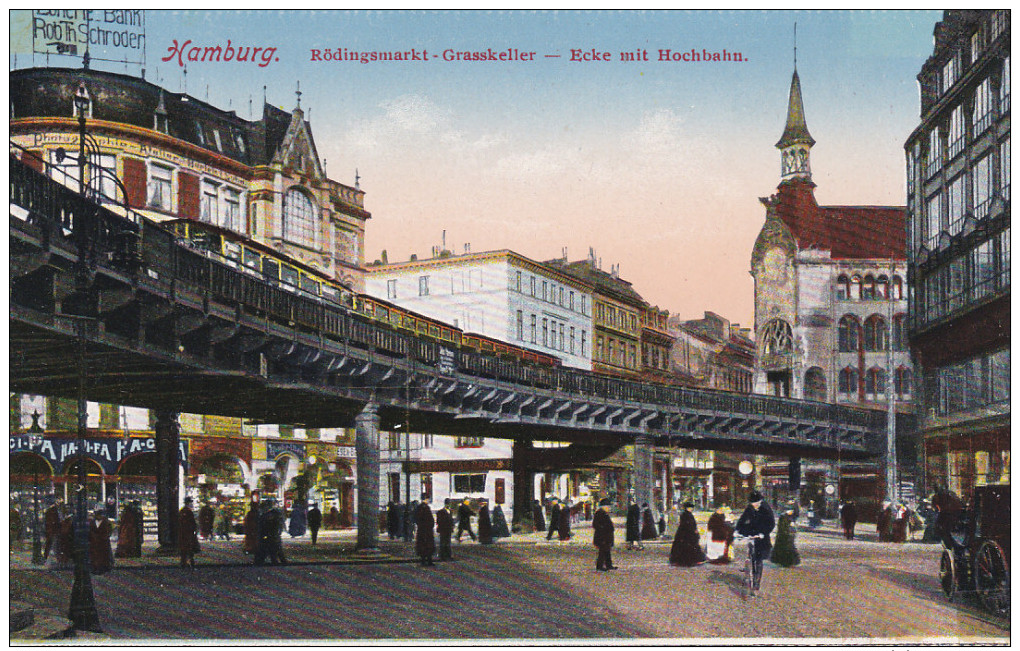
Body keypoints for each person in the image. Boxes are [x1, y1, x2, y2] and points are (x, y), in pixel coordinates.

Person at [735, 490, 775, 593]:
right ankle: (751, 575)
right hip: (752, 533)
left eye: (755, 503)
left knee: (759, 559)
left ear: (760, 501)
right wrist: (738, 530)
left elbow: (771, 524)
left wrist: (763, 533)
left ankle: (757, 582)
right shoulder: (749, 508)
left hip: (761, 537)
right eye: (752, 503)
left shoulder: (766, 509)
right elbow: (742, 520)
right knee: (751, 557)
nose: (754, 505)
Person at [669, 502, 706, 566]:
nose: (691, 509)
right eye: (689, 508)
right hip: (687, 533)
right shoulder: (685, 515)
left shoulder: (688, 514)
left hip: (688, 532)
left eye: (691, 508)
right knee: (688, 546)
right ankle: (687, 560)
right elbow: (687, 524)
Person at [256, 498, 285, 565]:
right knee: (276, 549)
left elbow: (262, 525)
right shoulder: (274, 514)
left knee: (268, 549)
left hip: (269, 535)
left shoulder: (266, 515)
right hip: (273, 535)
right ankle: (279, 561)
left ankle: (273, 561)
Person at [592, 498, 616, 571]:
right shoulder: (600, 513)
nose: (609, 508)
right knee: (602, 552)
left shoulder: (604, 513)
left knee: (607, 551)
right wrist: (603, 530)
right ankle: (600, 566)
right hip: (602, 537)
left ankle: (609, 565)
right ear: (603, 506)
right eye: (608, 506)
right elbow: (595, 524)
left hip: (606, 536)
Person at [89, 508, 114, 574]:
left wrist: (105, 537)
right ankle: (95, 568)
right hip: (94, 542)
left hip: (103, 542)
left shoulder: (106, 522)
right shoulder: (92, 522)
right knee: (94, 556)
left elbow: (109, 531)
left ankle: (103, 568)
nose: (98, 516)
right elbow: (90, 531)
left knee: (103, 556)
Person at [178, 497, 200, 569]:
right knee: (189, 549)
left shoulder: (182, 511)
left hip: (182, 533)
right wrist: (195, 530)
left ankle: (183, 563)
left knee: (184, 549)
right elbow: (192, 523)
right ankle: (191, 563)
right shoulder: (188, 512)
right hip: (188, 533)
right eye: (191, 503)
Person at [414, 494, 435, 566]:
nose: (428, 500)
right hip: (426, 530)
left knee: (423, 545)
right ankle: (428, 560)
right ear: (425, 499)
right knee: (427, 545)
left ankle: (425, 560)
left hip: (422, 529)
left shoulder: (420, 507)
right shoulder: (424, 507)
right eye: (428, 499)